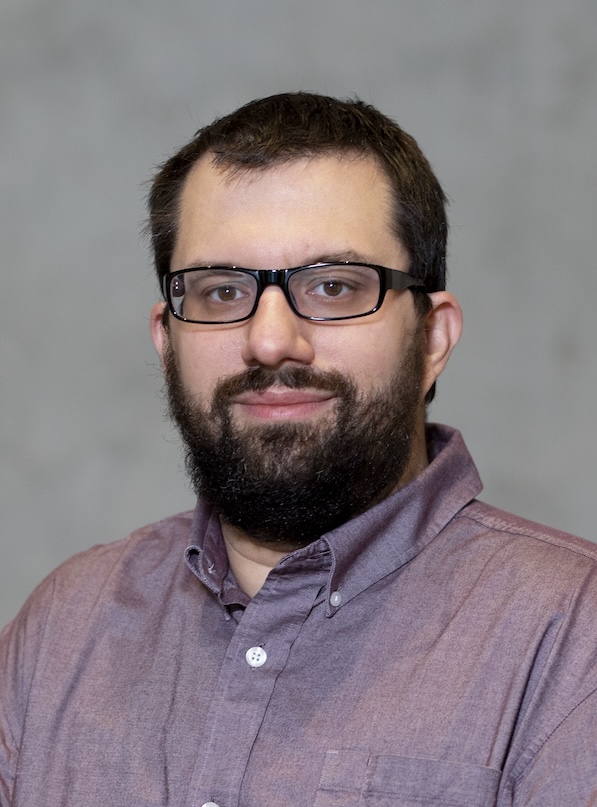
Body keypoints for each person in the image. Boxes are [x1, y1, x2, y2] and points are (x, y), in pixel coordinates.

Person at [1, 92, 596, 807]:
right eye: (223, 292)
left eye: (334, 286)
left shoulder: (572, 637)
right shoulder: (61, 630)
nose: (270, 340)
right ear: (167, 341)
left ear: (432, 338)